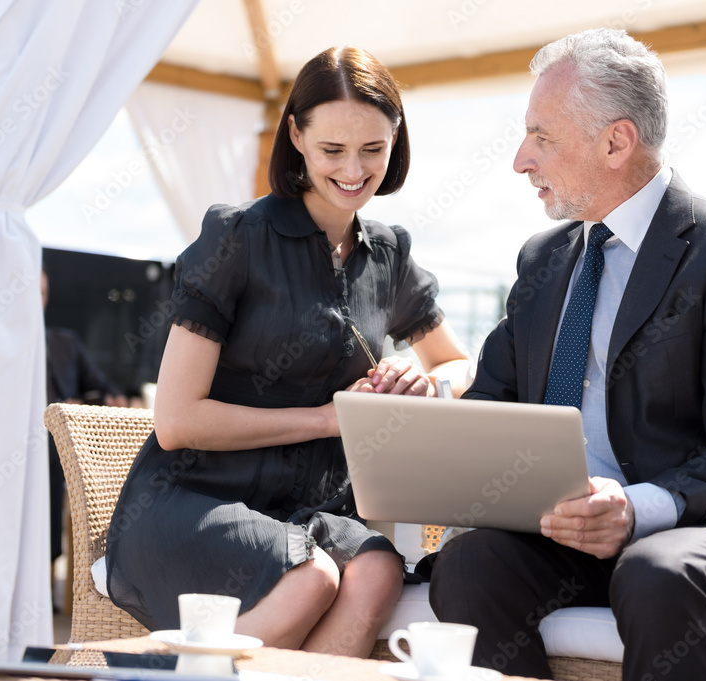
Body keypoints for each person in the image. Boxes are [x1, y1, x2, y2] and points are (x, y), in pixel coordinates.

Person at [427, 28, 706, 681]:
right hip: (567, 533)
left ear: (616, 141)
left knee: (653, 570)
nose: (521, 160)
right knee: (469, 563)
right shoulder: (542, 260)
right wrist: (419, 435)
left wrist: (636, 508)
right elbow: (489, 411)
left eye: (541, 137)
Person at [104, 46, 470, 656]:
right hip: (193, 500)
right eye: (333, 150)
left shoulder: (389, 254)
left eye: (373, 149)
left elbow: (456, 362)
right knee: (312, 576)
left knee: (376, 572)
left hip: (305, 510)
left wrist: (422, 380)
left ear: (396, 137)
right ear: (295, 135)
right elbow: (176, 421)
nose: (354, 170)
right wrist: (330, 419)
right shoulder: (238, 237)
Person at [43, 268, 127, 566]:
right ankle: (49, 559)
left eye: (42, 293)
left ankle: (98, 559)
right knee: (49, 456)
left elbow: (100, 383)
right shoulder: (3, 347)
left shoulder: (64, 342)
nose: (38, 300)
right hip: (32, 438)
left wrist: (111, 397)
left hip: (64, 437)